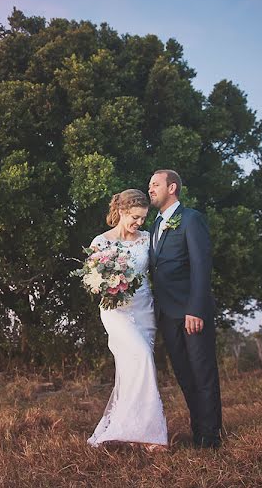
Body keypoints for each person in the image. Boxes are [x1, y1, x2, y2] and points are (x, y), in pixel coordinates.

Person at [87, 189, 168, 450]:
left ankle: (133, 429)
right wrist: (109, 283)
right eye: (135, 217)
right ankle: (151, 436)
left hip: (144, 308)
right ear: (122, 212)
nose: (139, 223)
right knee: (142, 356)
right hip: (116, 311)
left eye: (143, 218)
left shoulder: (146, 239)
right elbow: (92, 282)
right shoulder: (101, 242)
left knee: (132, 367)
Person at [148, 169, 223, 448]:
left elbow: (202, 267)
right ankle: (198, 431)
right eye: (150, 185)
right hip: (167, 315)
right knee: (184, 375)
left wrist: (196, 309)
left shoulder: (191, 219)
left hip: (191, 313)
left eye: (156, 184)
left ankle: (211, 437)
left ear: (173, 187)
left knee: (202, 372)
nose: (151, 189)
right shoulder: (154, 226)